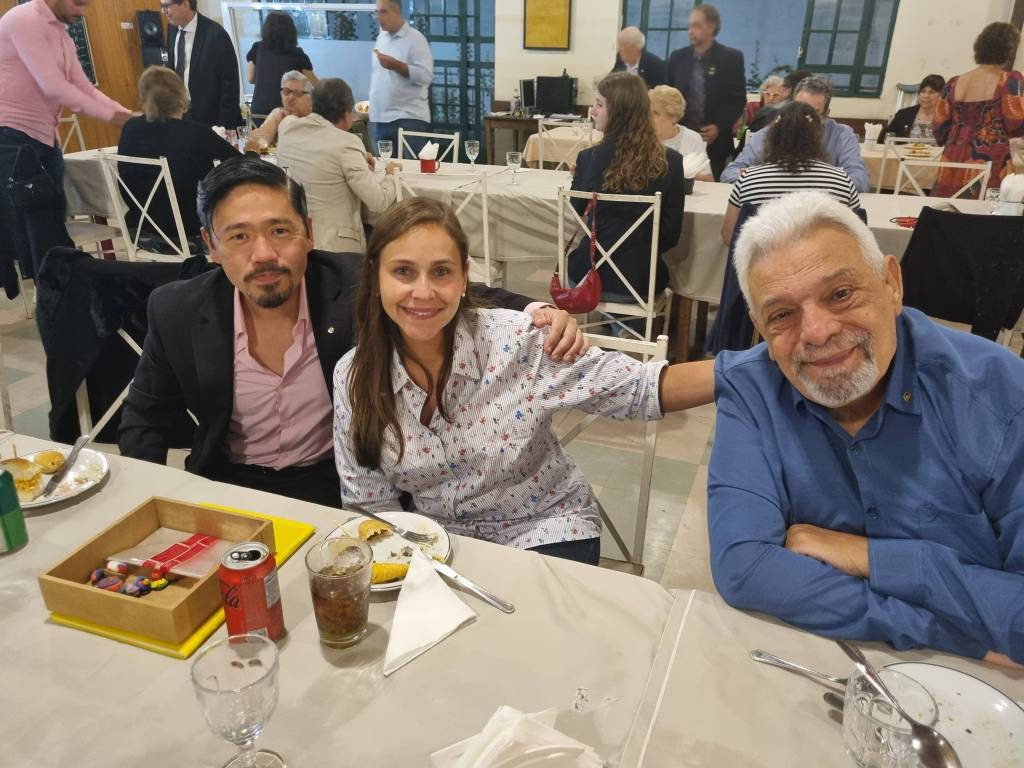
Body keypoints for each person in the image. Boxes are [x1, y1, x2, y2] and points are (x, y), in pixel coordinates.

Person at [118, 157, 588, 506]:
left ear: (308, 231)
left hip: (336, 486)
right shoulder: (177, 310)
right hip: (227, 486)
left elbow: (454, 290)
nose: (263, 254)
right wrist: (146, 503)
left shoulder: (353, 286)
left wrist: (538, 309)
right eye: (238, 236)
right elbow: (144, 420)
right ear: (211, 245)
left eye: (280, 231)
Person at [709, 189, 1024, 666]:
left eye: (840, 294)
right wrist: (946, 628)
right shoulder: (751, 389)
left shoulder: (1001, 395)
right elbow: (745, 568)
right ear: (759, 326)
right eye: (782, 315)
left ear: (892, 284)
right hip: (828, 666)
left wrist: (869, 556)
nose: (817, 332)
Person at [334, 197, 716, 565]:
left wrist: (735, 371)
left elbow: (639, 389)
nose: (423, 292)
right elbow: (370, 504)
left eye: (441, 272)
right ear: (376, 276)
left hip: (544, 528)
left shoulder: (518, 341)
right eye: (403, 271)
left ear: (464, 277)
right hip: (439, 543)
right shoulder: (353, 377)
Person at [0, 0, 131, 278]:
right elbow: (54, 86)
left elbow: (84, 87)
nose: (82, 12)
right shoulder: (26, 20)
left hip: (45, 137)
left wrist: (128, 116)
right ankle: (48, 293)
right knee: (34, 232)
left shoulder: (60, 32)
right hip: (11, 137)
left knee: (52, 229)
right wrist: (113, 117)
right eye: (78, 3)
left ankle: (56, 292)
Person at [569, 73, 684, 328]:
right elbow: (670, 236)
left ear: (618, 112)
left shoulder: (589, 159)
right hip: (640, 281)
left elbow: (576, 214)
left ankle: (614, 325)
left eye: (599, 104)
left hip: (587, 277)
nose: (592, 111)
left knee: (584, 258)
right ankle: (624, 326)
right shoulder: (672, 162)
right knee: (644, 269)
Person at [117, 66, 237, 251]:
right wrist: (253, 149)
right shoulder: (196, 133)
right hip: (192, 232)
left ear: (144, 97)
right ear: (182, 96)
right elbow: (245, 166)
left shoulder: (130, 128)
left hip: (142, 229)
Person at [277, 78, 401, 253]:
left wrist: (358, 157)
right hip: (336, 250)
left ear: (313, 105)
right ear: (346, 112)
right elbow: (378, 202)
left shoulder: (286, 127)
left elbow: (321, 151)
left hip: (294, 241)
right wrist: (391, 174)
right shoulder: (347, 143)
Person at [721, 102, 860, 244]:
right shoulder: (842, 181)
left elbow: (729, 236)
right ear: (818, 137)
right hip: (823, 256)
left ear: (772, 136)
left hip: (765, 257)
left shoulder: (748, 179)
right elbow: (859, 238)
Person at [722, 76, 869, 192]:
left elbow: (859, 179)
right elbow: (731, 173)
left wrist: (806, 188)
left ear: (826, 114)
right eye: (799, 109)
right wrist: (765, 184)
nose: (804, 117)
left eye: (814, 112)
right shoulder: (769, 132)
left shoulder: (842, 134)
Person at [931, 22, 1024, 198]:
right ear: (1009, 50)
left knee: (947, 209)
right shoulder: (1010, 81)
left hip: (952, 160)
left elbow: (938, 128)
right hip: (990, 163)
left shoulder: (954, 83)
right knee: (983, 212)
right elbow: (1017, 123)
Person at [665, 3, 746, 180]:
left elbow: (737, 100)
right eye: (689, 26)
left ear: (711, 27)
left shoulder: (731, 58)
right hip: (679, 139)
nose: (690, 31)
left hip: (714, 143)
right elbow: (667, 95)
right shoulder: (678, 57)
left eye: (696, 25)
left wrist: (719, 126)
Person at [162, 0, 241, 128]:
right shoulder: (172, 30)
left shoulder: (216, 34)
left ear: (185, 4)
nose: (163, 11)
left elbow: (230, 87)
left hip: (211, 121)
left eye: (166, 6)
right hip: (180, 116)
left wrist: (223, 128)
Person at [369, 0, 433, 151]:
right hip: (381, 119)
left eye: (383, 12)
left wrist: (397, 65)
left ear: (397, 12)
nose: (378, 17)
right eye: (376, 12)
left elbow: (426, 75)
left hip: (408, 118)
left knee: (411, 166)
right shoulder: (381, 38)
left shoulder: (415, 39)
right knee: (386, 166)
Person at [246, 11, 318, 121]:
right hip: (285, 113)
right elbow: (315, 84)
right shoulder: (297, 54)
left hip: (258, 112)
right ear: (291, 31)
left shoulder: (257, 48)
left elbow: (251, 79)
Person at [649, 85, 713, 181]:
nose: (649, 118)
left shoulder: (692, 138)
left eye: (656, 113)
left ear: (673, 117)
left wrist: (680, 174)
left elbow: (709, 180)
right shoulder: (640, 137)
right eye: (648, 113)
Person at [246, 71, 313, 149]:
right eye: (286, 91)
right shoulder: (278, 113)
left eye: (297, 93)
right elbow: (254, 147)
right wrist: (276, 121)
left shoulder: (315, 119)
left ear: (309, 98)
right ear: (281, 95)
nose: (291, 97)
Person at [745, 68, 813, 135]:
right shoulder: (771, 114)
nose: (771, 98)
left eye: (776, 95)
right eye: (767, 94)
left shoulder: (768, 112)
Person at [880, 74, 945, 142]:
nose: (926, 96)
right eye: (923, 91)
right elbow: (883, 139)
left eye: (931, 92)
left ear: (941, 95)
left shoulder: (946, 118)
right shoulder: (903, 114)